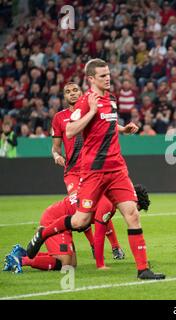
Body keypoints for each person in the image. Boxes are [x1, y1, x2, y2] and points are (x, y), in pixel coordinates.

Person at [26, 59, 165, 280]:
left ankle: (143, 270)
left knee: (133, 215)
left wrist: (123, 129)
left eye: (108, 74)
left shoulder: (111, 99)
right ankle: (43, 233)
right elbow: (70, 131)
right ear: (91, 79)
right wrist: (90, 111)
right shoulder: (84, 102)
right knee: (81, 222)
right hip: (93, 172)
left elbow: (105, 124)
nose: (108, 78)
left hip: (117, 169)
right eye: (102, 76)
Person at [3, 184, 151, 273]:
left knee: (72, 264)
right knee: (65, 264)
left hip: (63, 220)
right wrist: (100, 264)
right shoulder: (108, 204)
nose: (133, 212)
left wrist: (115, 246)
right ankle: (21, 260)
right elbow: (99, 233)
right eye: (136, 208)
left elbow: (103, 223)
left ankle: (23, 253)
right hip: (54, 220)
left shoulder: (108, 197)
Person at [51, 82, 125, 260]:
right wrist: (56, 156)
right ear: (64, 97)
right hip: (73, 173)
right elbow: (55, 147)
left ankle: (115, 246)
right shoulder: (59, 118)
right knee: (82, 209)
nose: (72, 94)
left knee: (102, 207)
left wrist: (123, 129)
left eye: (75, 90)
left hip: (93, 170)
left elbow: (109, 125)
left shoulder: (91, 109)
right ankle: (94, 244)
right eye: (68, 92)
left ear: (81, 92)